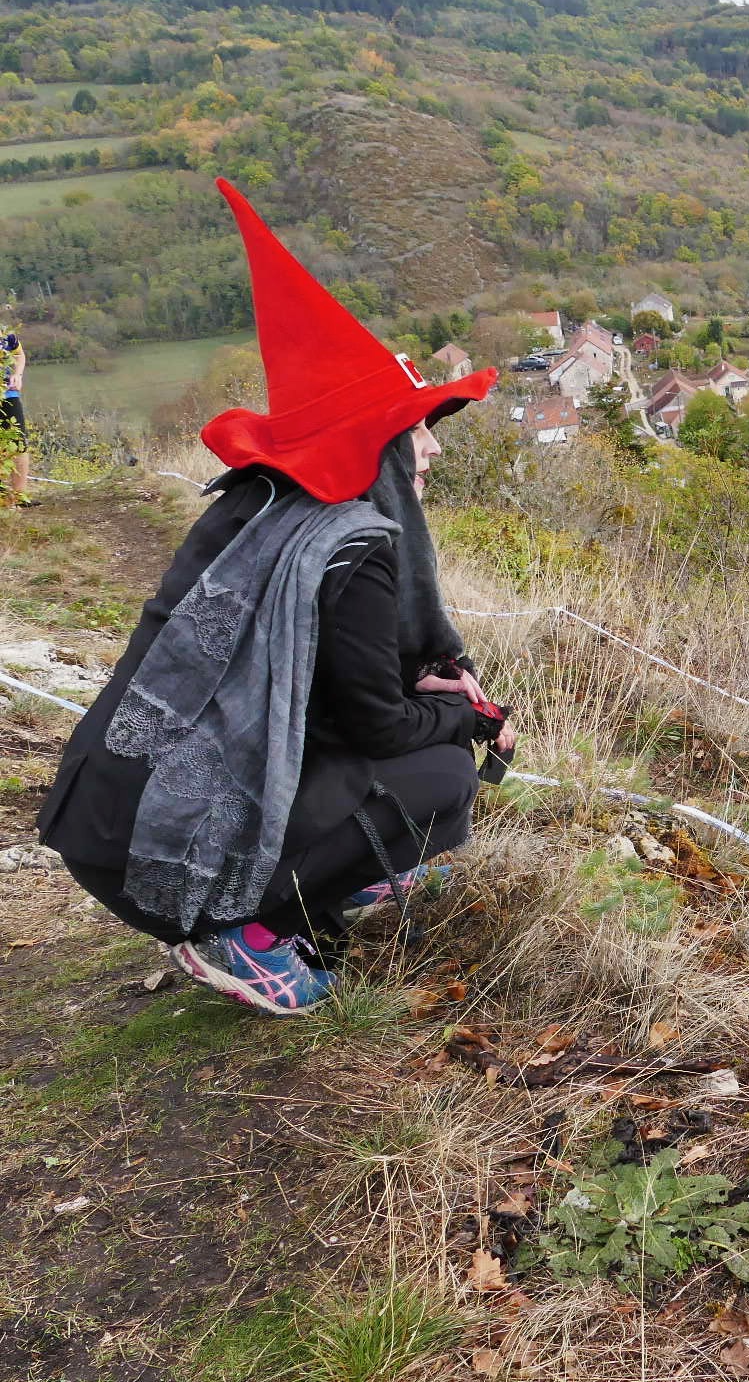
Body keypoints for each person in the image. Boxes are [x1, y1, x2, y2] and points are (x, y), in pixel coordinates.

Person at [37, 179, 512, 1016]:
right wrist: (468, 720)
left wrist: (423, 689)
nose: (431, 450)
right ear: (376, 449)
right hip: (157, 858)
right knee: (442, 775)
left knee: (404, 756)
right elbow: (375, 727)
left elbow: (323, 696)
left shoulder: (261, 512)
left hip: (104, 819)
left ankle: (303, 888)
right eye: (415, 432)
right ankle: (237, 926)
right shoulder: (351, 551)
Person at [1, 325, 31, 507]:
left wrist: (17, 374)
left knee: (18, 443)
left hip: (8, 393)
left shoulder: (5, 335)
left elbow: (19, 354)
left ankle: (19, 497)